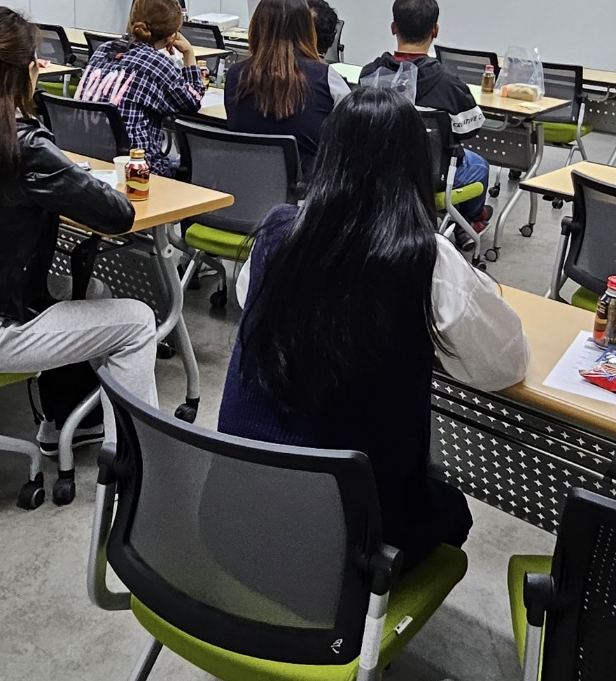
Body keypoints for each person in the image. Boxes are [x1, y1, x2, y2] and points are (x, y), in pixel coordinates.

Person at [218, 87, 529, 566]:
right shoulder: (424, 258)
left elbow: (248, 299)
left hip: (238, 514)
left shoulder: (277, 230)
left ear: (329, 155)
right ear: (417, 165)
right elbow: (503, 364)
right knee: (452, 512)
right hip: (347, 543)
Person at [0, 6, 159, 451]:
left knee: (92, 290)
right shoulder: (23, 144)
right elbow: (118, 216)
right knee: (137, 321)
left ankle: (67, 422)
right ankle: (137, 459)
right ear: (23, 72)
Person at [359, 0, 491, 227]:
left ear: (393, 28)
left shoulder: (370, 74)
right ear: (435, 31)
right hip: (431, 177)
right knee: (479, 165)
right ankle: (468, 222)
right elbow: (470, 129)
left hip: (377, 171)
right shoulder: (448, 84)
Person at [75, 0, 205, 176]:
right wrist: (188, 53)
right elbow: (192, 102)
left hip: (89, 162)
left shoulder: (103, 50)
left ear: (131, 20)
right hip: (137, 171)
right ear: (172, 36)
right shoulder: (157, 64)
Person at [225, 0, 349, 174]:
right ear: (308, 30)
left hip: (245, 183)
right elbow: (352, 134)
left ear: (256, 27)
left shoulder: (235, 75)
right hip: (307, 189)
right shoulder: (327, 78)